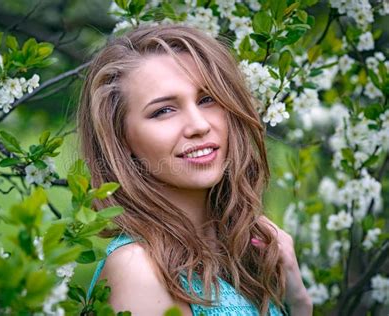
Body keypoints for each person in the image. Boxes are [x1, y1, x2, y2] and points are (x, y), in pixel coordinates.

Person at [78, 24, 312, 315]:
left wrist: (300, 302)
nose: (200, 125)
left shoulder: (238, 255)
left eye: (207, 99)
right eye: (164, 110)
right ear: (121, 140)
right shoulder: (139, 271)